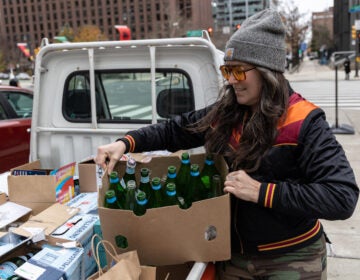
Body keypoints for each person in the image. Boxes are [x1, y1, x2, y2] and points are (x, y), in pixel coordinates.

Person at [95, 9, 359, 279]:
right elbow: (175, 129)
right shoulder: (227, 113)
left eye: (238, 71)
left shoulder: (304, 121)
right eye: (227, 70)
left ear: (267, 71)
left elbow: (341, 196)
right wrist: (126, 143)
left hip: (291, 259)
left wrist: (261, 191)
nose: (231, 80)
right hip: (232, 256)